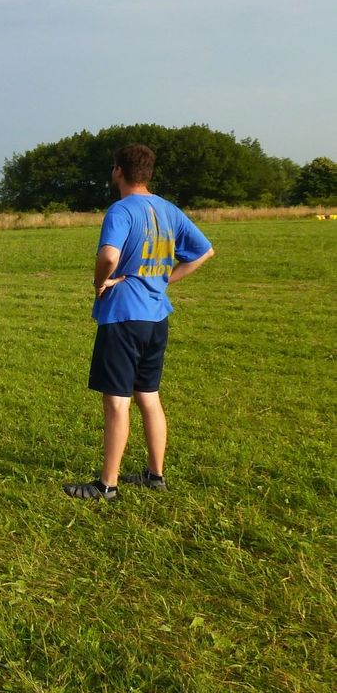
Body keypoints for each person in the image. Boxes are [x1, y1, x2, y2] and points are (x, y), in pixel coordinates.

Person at [64, 143, 215, 501]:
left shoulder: (120, 210)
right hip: (156, 317)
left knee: (117, 401)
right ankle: (154, 475)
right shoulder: (168, 209)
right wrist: (163, 281)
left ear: (118, 170)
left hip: (123, 317)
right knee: (148, 395)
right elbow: (205, 251)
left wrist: (100, 281)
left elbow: (109, 255)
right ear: (147, 172)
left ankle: (107, 486)